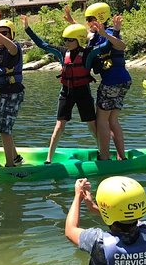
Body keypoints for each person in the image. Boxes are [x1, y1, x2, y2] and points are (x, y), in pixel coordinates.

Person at [22, 15, 97, 164]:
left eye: (70, 40)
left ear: (78, 40)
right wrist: (27, 29)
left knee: (92, 125)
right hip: (66, 92)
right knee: (59, 125)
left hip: (83, 92)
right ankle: (49, 158)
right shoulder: (63, 53)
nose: (67, 43)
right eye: (66, 40)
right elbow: (43, 45)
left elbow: (104, 45)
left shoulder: (88, 53)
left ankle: (104, 152)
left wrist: (111, 32)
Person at [85, 2, 131, 161]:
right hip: (123, 81)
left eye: (90, 19)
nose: (88, 23)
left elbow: (122, 46)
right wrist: (71, 22)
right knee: (112, 119)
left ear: (99, 18)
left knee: (102, 120)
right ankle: (121, 156)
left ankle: (104, 157)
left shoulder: (109, 33)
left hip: (112, 82)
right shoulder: (97, 35)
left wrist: (106, 34)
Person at [0, 19, 25, 167]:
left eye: (5, 33)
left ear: (11, 34)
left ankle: (10, 164)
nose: (0, 36)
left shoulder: (14, 49)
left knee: (5, 129)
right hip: (4, 93)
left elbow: (10, 46)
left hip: (13, 93)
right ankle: (15, 157)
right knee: (1, 127)